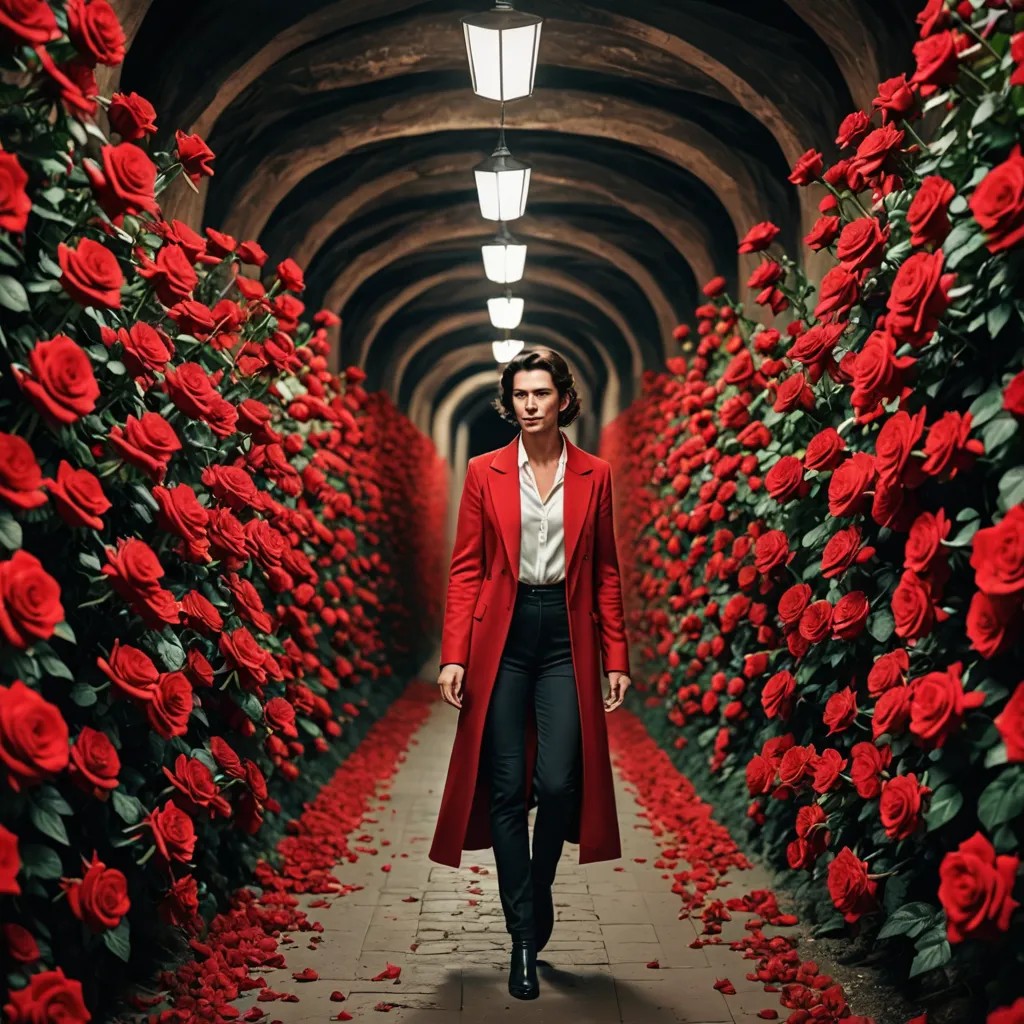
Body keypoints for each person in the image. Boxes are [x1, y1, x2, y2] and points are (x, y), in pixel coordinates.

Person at [427, 347, 632, 1000]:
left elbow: (604, 570)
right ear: (509, 403)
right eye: (521, 395)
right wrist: (454, 652)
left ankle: (535, 889)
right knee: (508, 787)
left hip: (565, 637)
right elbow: (465, 568)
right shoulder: (486, 473)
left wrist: (616, 657)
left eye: (543, 393)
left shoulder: (594, 474)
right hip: (504, 636)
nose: (533, 404)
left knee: (560, 782)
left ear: (563, 399)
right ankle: (522, 936)